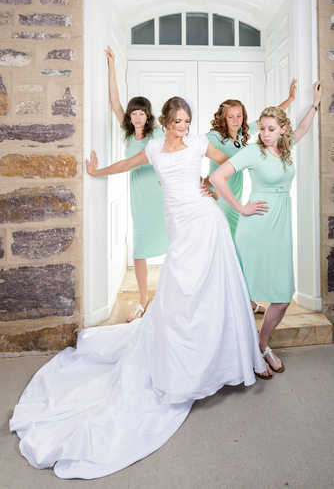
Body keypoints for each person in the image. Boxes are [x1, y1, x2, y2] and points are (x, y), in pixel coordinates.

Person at [10, 97, 266, 480]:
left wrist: (217, 187)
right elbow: (127, 165)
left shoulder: (198, 144)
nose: (182, 126)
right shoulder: (151, 149)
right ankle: (181, 351)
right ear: (165, 122)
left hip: (204, 217)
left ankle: (214, 354)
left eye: (187, 120)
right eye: (177, 120)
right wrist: (97, 172)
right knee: (180, 284)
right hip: (178, 221)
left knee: (209, 285)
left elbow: (228, 163)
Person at [209, 81, 322, 378]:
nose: (265, 133)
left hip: (280, 228)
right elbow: (219, 177)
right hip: (255, 229)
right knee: (243, 292)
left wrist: (314, 104)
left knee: (283, 295)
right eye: (262, 128)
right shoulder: (252, 152)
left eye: (271, 129)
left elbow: (303, 130)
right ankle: (242, 347)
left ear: (281, 130)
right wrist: (241, 207)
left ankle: (262, 343)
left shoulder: (285, 149)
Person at [204, 80, 296, 314]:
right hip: (224, 201)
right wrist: (201, 180)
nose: (236, 120)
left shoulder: (247, 136)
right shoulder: (214, 137)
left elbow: (270, 121)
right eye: (231, 116)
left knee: (240, 254)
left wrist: (291, 100)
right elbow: (189, 150)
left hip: (241, 197)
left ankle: (247, 300)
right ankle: (226, 303)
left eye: (239, 116)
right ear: (223, 118)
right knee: (227, 252)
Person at [105, 45, 168, 321]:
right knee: (140, 250)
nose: (137, 116)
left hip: (159, 194)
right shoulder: (129, 135)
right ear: (130, 117)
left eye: (142, 113)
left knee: (173, 247)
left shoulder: (156, 136)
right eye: (134, 113)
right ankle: (143, 301)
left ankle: (171, 298)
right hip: (140, 199)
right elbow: (114, 101)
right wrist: (111, 66)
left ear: (148, 115)